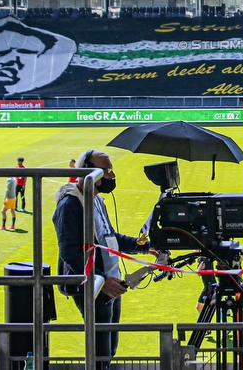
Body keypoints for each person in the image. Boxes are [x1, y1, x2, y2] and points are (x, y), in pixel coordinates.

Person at [53, 150, 151, 370]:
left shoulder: (97, 201)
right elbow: (69, 252)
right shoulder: (70, 205)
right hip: (94, 287)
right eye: (105, 170)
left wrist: (142, 246)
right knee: (100, 353)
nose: (111, 175)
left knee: (109, 349)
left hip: (112, 283)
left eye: (110, 169)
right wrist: (99, 279)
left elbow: (110, 237)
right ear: (87, 170)